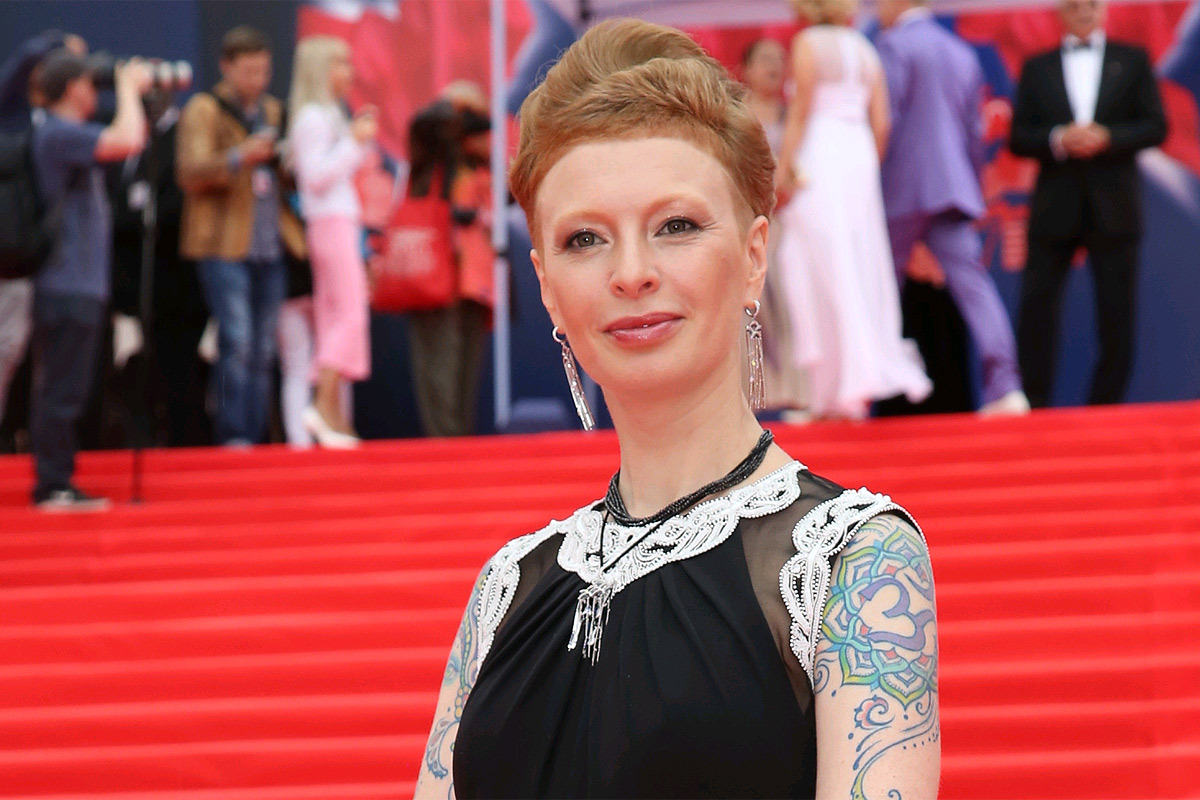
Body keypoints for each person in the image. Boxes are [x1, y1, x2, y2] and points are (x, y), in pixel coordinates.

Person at [414, 19, 939, 799]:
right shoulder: (505, 586)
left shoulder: (849, 562)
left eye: (676, 226)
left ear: (754, 256)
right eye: (585, 239)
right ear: (548, 286)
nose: (631, 273)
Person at [775, 0, 932, 420]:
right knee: (850, 266)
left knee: (818, 267)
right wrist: (864, 166)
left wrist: (783, 172)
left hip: (820, 154)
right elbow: (882, 123)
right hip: (856, 157)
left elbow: (799, 113)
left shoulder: (808, 43)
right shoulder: (866, 48)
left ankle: (834, 391)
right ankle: (839, 392)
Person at [876, 0, 1031, 415]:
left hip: (902, 189)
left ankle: (857, 391)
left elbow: (885, 123)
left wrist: (872, 187)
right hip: (952, 187)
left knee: (876, 290)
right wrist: (968, 184)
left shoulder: (893, 46)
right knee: (975, 289)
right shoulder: (959, 51)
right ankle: (1006, 388)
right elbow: (973, 131)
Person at [1010, 0, 1166, 407]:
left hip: (1114, 207)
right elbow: (1019, 136)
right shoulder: (1037, 67)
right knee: (1037, 310)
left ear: (1104, 10)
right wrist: (1059, 138)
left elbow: (1156, 126)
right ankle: (1034, 404)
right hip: (1054, 207)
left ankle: (1106, 406)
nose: (1083, 12)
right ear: (1059, 13)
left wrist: (1108, 137)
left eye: (1091, 5)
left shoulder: (1131, 60)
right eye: (1075, 6)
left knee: (1117, 314)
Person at [28, 50, 151, 510]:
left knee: (69, 386)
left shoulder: (65, 133)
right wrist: (128, 88)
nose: (94, 90)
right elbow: (128, 138)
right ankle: (52, 484)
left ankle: (56, 479)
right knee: (62, 389)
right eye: (88, 82)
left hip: (77, 282)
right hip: (66, 282)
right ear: (72, 88)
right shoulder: (58, 133)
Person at [176, 26, 307, 447]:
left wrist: (287, 162)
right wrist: (240, 157)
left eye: (264, 71)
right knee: (238, 342)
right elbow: (189, 172)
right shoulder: (204, 109)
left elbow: (287, 181)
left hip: (270, 244)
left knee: (265, 349)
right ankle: (234, 435)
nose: (258, 80)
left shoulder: (273, 111)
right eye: (249, 71)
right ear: (226, 67)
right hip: (223, 245)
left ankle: (255, 434)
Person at [288, 35, 377, 448]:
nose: (349, 73)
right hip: (331, 222)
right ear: (321, 71)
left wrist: (352, 142)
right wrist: (354, 142)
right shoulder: (314, 118)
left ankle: (334, 414)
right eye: (340, 64)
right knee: (350, 312)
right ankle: (324, 406)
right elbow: (315, 177)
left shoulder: (326, 115)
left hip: (334, 221)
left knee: (334, 314)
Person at [0, 31, 86, 446]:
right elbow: (19, 66)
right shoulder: (11, 114)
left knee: (12, 352)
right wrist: (56, 43)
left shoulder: (57, 125)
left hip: (29, 261)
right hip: (10, 258)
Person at [404, 100, 490, 438]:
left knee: (464, 366)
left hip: (470, 282)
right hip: (434, 278)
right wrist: (456, 115)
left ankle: (458, 441)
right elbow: (423, 125)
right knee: (439, 364)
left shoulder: (479, 170)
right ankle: (445, 440)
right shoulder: (430, 163)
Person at [740, 37, 808, 417]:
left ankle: (796, 391)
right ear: (746, 69)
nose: (773, 67)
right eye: (764, 59)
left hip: (788, 221)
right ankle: (758, 390)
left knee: (793, 301)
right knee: (755, 305)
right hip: (750, 221)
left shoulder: (792, 114)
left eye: (780, 59)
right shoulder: (737, 116)